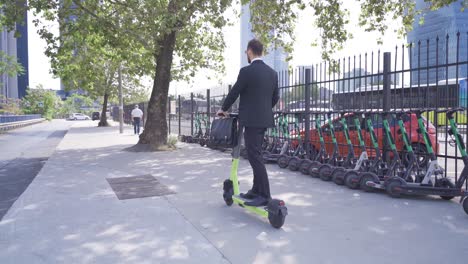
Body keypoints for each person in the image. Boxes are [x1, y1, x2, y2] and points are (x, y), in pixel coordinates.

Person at [217, 39, 279, 206]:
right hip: (264, 120)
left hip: (251, 121)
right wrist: (263, 110)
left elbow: (235, 92)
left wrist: (223, 108)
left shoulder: (246, 71)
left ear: (250, 51)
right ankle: (256, 190)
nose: (246, 55)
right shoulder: (272, 73)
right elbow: (275, 98)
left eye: (246, 52)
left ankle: (265, 195)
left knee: (255, 156)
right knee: (255, 153)